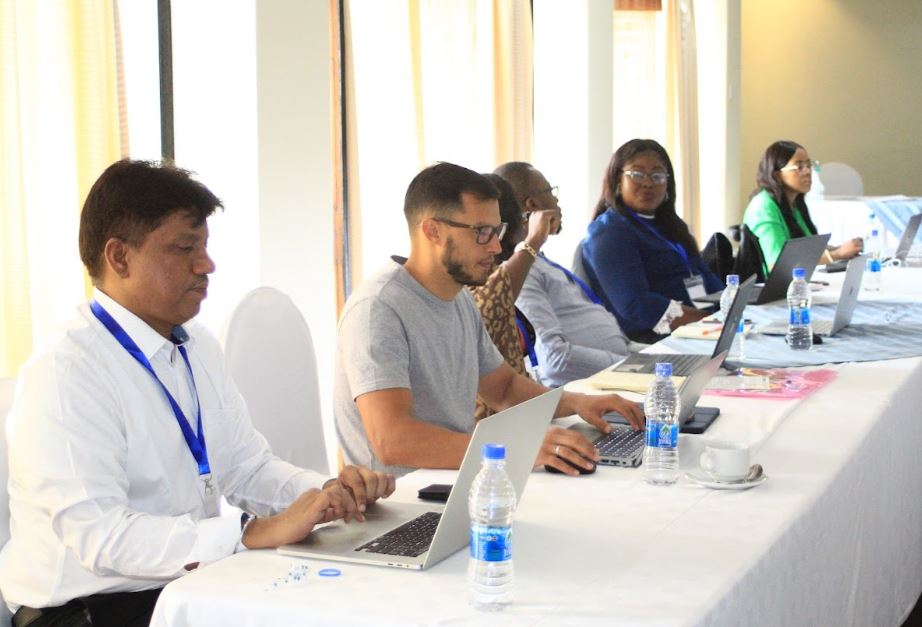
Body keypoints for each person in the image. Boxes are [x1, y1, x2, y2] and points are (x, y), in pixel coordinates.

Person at [0, 160, 395, 626]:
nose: (206, 265)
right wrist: (247, 533)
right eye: (185, 248)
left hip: (184, 586)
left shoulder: (196, 344)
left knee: (354, 603)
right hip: (87, 611)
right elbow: (102, 537)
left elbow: (247, 468)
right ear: (120, 257)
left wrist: (325, 494)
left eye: (205, 247)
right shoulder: (67, 371)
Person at [334, 162, 644, 479]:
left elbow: (504, 388)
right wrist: (518, 448)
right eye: (482, 232)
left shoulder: (459, 299)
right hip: (402, 496)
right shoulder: (378, 309)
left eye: (498, 231)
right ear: (432, 231)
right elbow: (393, 441)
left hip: (455, 479)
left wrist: (579, 403)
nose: (496, 247)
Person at [493, 161, 633, 387]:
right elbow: (555, 360)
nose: (557, 201)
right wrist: (631, 366)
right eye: (551, 192)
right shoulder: (522, 272)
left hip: (618, 369)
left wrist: (646, 359)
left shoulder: (541, 262)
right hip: (589, 387)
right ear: (533, 204)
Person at [581, 139, 722, 343]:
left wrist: (731, 307)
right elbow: (636, 305)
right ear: (618, 180)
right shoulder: (610, 231)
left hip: (698, 329)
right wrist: (706, 323)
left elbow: (703, 275)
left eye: (657, 176)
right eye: (637, 174)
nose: (648, 183)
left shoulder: (670, 225)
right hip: (655, 340)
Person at [468, 174, 557, 419]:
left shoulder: (495, 272)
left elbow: (510, 387)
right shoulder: (472, 283)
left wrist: (576, 403)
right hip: (487, 426)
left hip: (520, 414)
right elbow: (489, 306)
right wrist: (532, 243)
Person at [742, 140, 862, 274]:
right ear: (777, 175)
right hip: (772, 284)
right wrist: (836, 254)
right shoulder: (764, 206)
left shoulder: (794, 203)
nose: (807, 172)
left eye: (808, 165)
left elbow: (808, 247)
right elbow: (777, 263)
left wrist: (840, 249)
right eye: (799, 167)